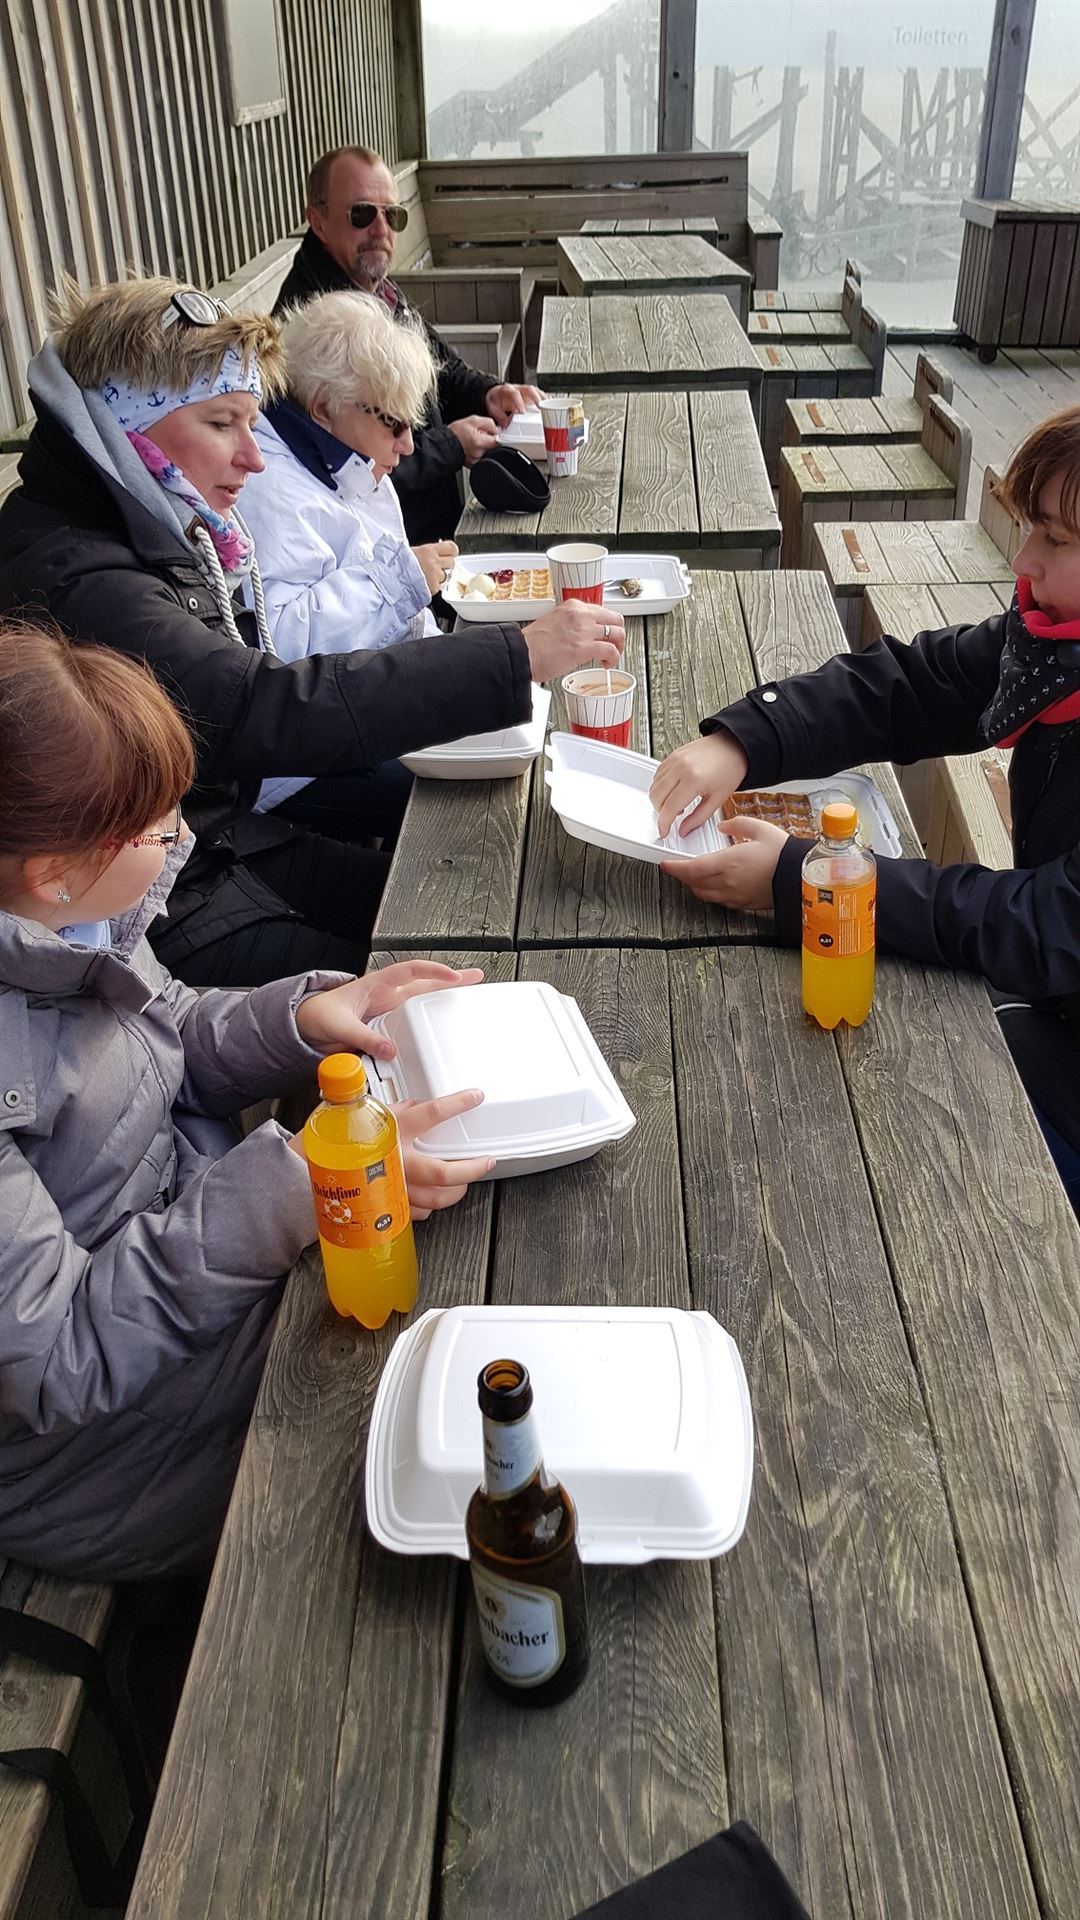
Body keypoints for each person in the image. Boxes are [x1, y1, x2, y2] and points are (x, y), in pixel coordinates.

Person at [0, 620, 499, 1582]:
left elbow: (163, 1037)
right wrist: (296, 1187)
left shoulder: (64, 926)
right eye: (156, 827)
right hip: (102, 1455)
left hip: (189, 1289)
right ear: (52, 870)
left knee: (466, 1266)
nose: (181, 840)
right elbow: (59, 1357)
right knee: (450, 1393)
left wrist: (302, 1019)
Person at [0, 276, 623, 988]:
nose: (254, 456)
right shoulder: (80, 576)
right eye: (222, 424)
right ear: (127, 427)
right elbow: (256, 705)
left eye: (251, 422)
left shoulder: (135, 517)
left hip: (212, 841)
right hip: (144, 908)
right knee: (433, 967)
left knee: (459, 906)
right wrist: (514, 656)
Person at [649, 406, 1080, 1204]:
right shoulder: (1052, 646)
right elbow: (909, 687)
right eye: (1029, 529)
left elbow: (1049, 922)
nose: (1023, 559)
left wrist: (803, 879)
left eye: (1054, 539)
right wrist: (743, 739)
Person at [273, 144, 542, 544]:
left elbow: (439, 368)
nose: (381, 230)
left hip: (434, 533)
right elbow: (346, 463)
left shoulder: (372, 286)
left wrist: (488, 393)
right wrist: (450, 446)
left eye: (392, 215)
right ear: (318, 221)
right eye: (362, 214)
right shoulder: (313, 325)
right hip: (391, 548)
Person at [240, 291, 450, 686]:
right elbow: (281, 643)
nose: (407, 445)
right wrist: (398, 581)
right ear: (324, 407)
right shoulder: (268, 486)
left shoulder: (350, 465)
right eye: (395, 424)